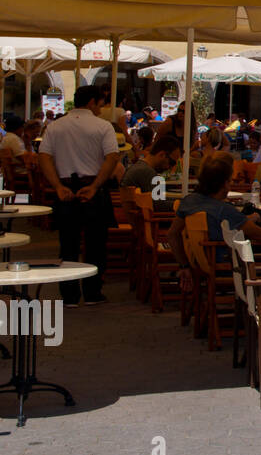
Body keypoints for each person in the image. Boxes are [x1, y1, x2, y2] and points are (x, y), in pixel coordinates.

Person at [38, 85, 121, 307]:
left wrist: (56, 185)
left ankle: (69, 294)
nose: (102, 109)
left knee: (68, 244)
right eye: (101, 104)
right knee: (96, 244)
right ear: (92, 102)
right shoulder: (103, 126)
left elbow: (44, 157)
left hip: (65, 187)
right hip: (93, 189)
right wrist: (94, 186)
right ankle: (93, 292)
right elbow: (112, 158)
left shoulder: (55, 126)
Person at [168, 154, 261, 292]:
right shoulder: (225, 210)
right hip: (228, 263)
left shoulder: (189, 202)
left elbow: (172, 235)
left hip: (199, 262)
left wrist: (184, 265)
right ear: (225, 184)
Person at [120, 134, 184, 211]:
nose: (171, 167)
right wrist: (182, 204)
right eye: (172, 162)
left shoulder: (140, 167)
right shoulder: (147, 172)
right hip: (148, 220)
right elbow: (158, 204)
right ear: (162, 155)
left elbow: (158, 199)